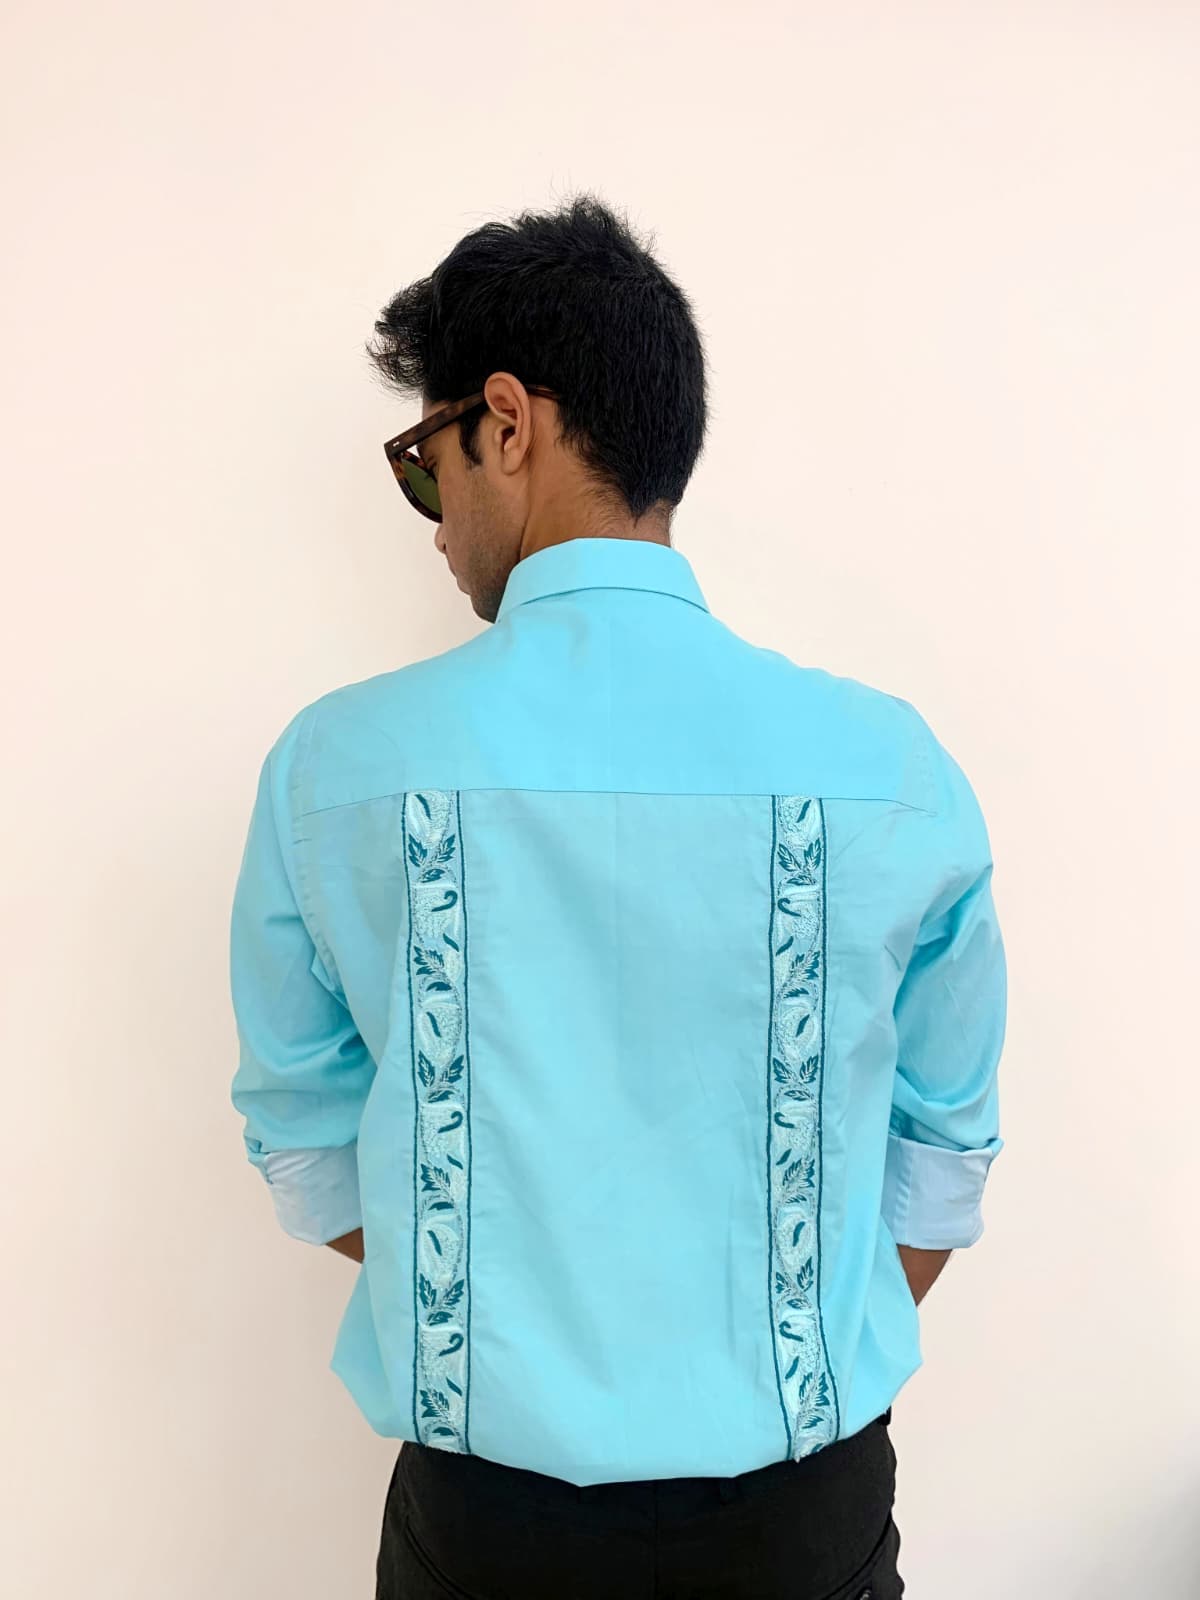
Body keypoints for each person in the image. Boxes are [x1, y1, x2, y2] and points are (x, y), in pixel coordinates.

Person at [228, 193, 1007, 1600]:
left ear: (506, 425)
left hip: (486, 1531)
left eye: (424, 464)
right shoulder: (890, 769)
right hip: (804, 1522)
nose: (433, 523)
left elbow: (306, 1144)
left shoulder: (332, 770)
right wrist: (773, 1342)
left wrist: (499, 1322)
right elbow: (942, 1156)